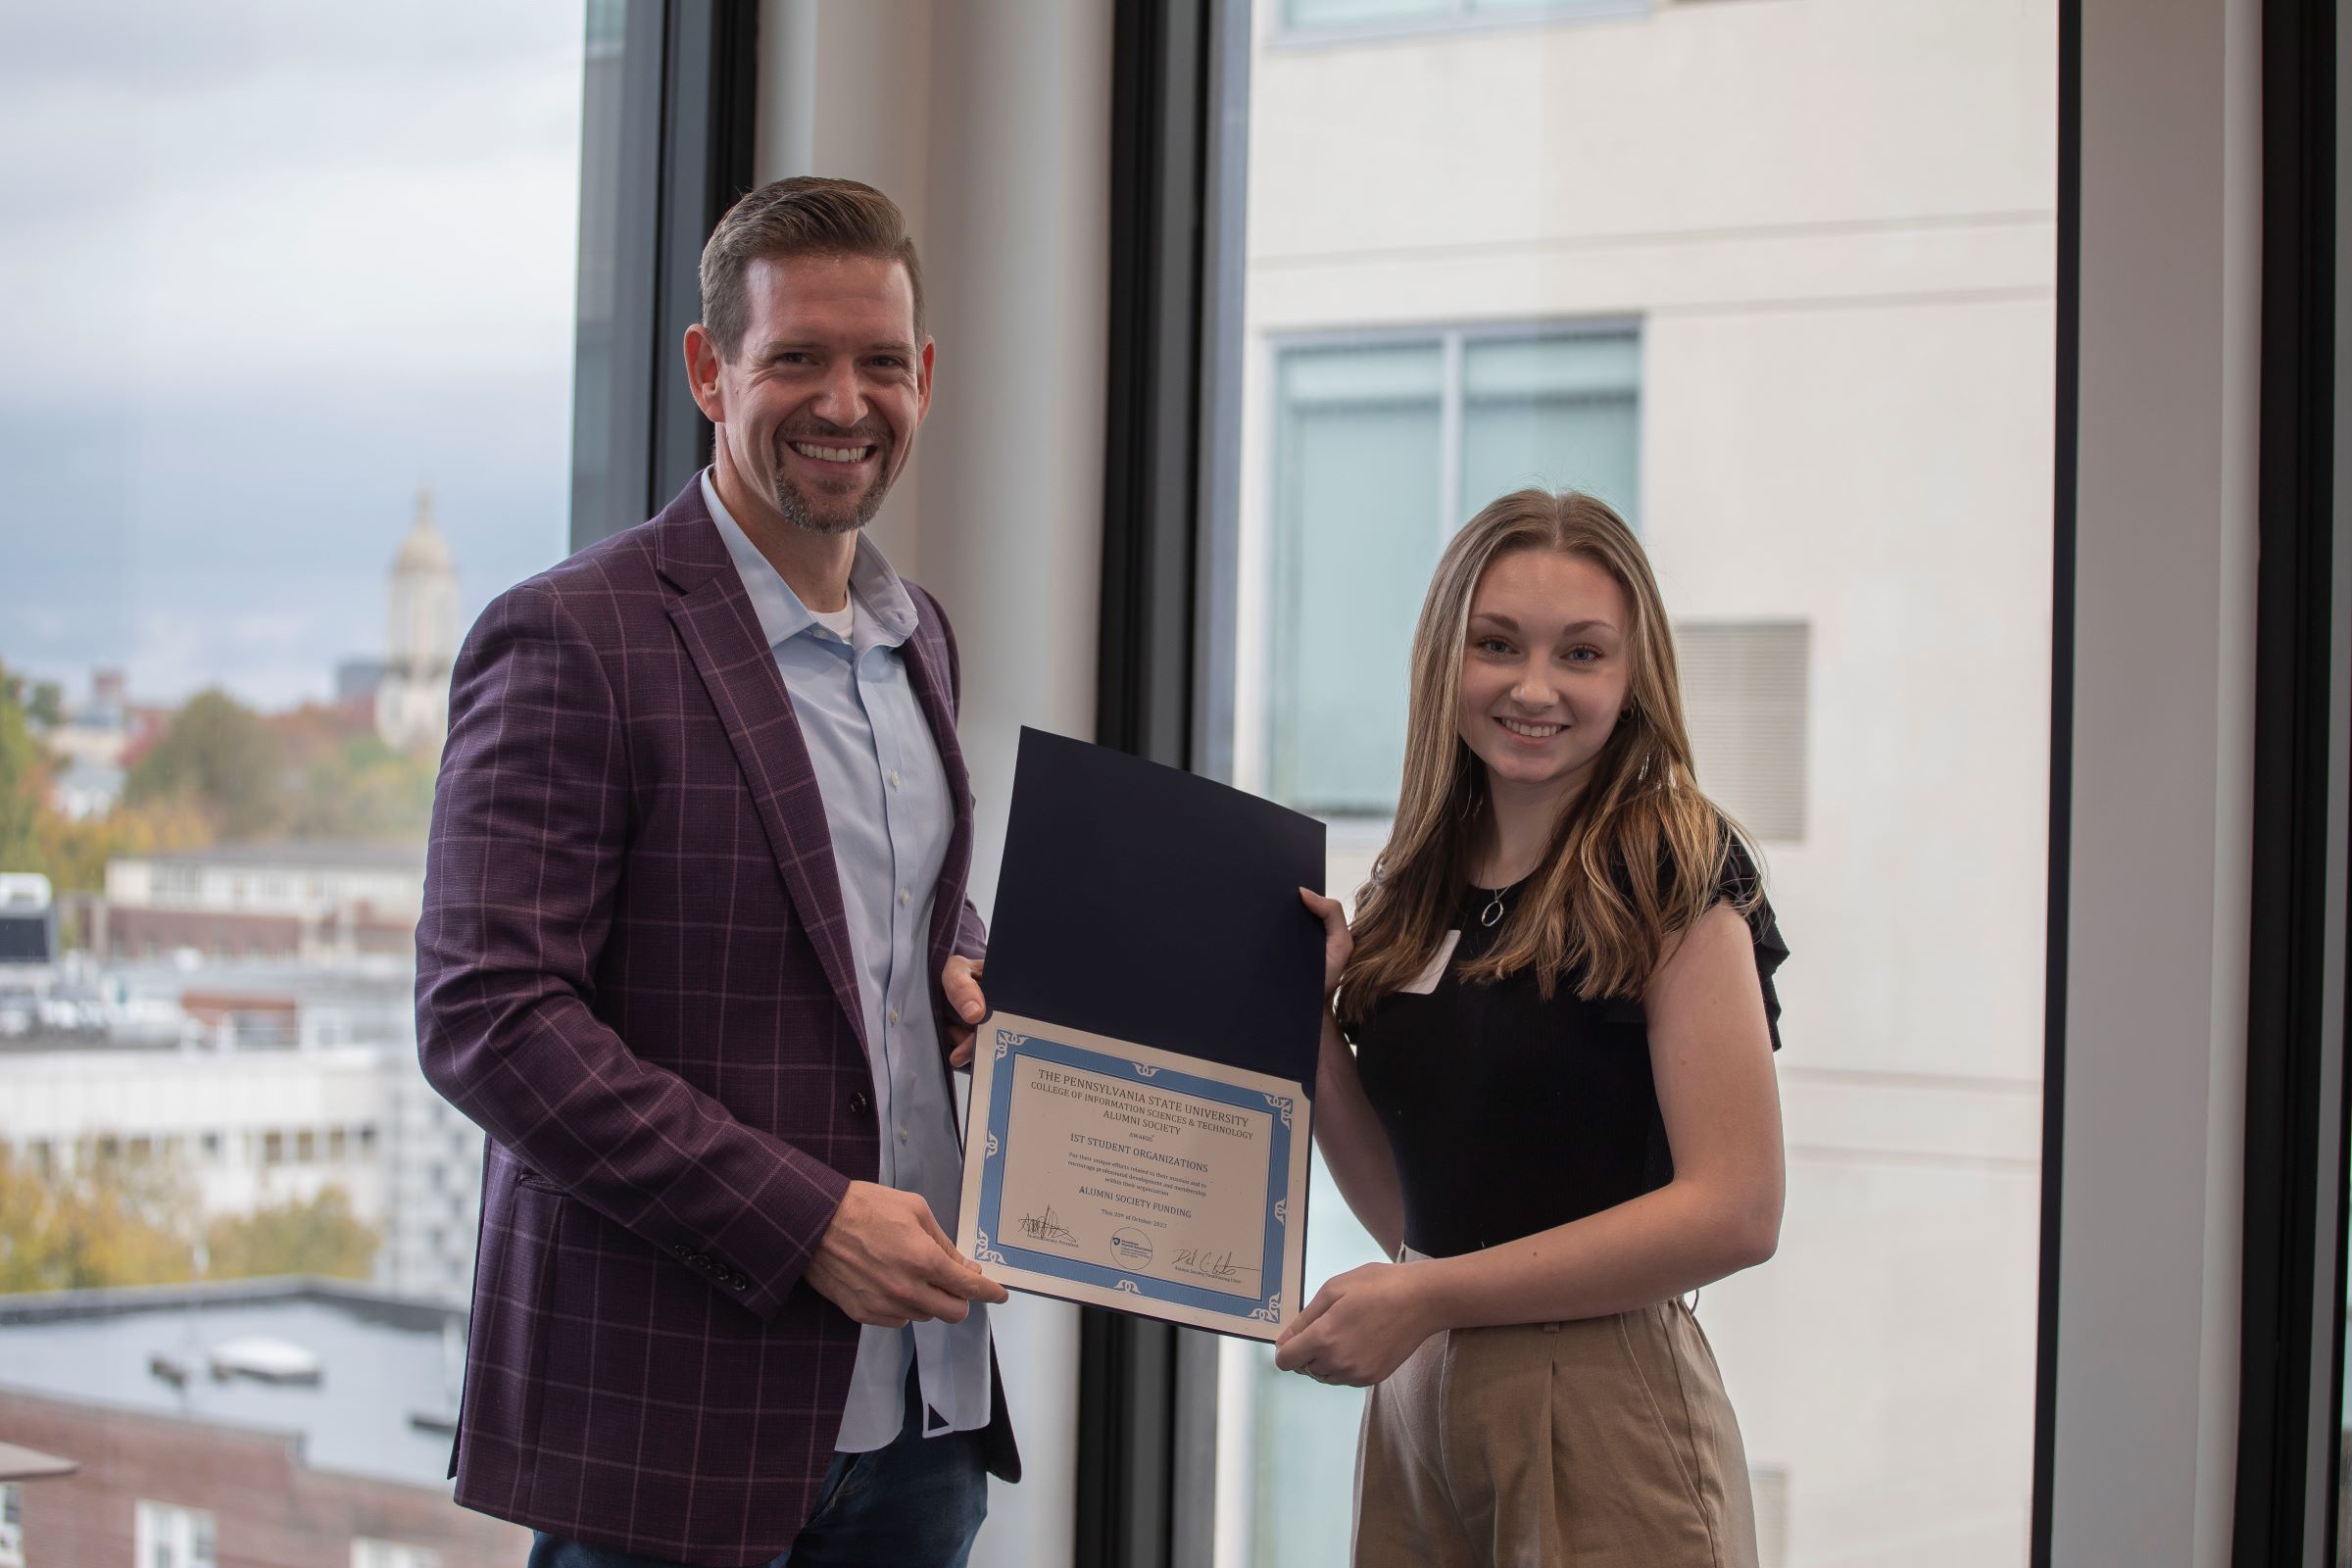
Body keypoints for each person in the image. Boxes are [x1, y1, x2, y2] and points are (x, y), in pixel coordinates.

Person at [416, 176, 1016, 1568]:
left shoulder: (918, 633)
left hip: (925, 1416)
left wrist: (963, 965)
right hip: (671, 1426)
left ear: (922, 378)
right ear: (708, 370)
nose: (844, 403)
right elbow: (488, 1016)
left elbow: (896, 906)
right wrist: (803, 1221)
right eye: (795, 357)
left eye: (878, 363)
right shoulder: (572, 635)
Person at [1278, 489, 1788, 1567]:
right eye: (1497, 644)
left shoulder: (1672, 868)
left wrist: (1429, 1295)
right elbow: (1415, 1215)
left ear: (1633, 676)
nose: (1535, 687)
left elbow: (1738, 1209)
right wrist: (1311, 1028)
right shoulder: (1418, 885)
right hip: (1421, 1397)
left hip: (1603, 1399)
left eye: (1583, 654)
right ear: (1443, 659)